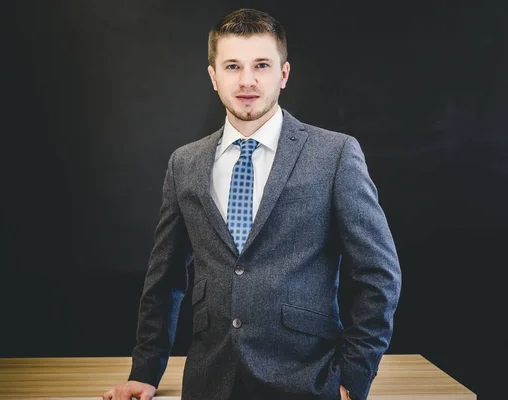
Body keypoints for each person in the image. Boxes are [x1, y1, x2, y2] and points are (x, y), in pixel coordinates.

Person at [104, 8, 401, 400]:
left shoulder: (336, 154)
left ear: (283, 74)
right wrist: (146, 371)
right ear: (213, 77)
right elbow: (165, 278)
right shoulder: (185, 163)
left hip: (309, 381)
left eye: (261, 65)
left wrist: (353, 377)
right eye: (232, 66)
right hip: (210, 381)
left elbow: (378, 274)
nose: (247, 80)